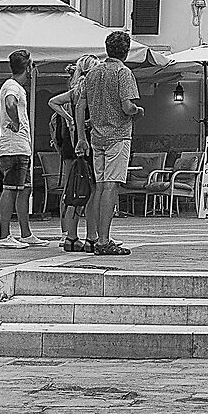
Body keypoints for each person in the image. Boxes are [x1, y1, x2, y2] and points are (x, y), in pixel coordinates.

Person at [78, 32, 141, 256]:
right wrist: (138, 110)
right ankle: (104, 241)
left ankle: (95, 237)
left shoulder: (92, 73)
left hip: (97, 137)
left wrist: (81, 137)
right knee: (111, 187)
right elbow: (127, 107)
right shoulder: (123, 73)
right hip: (118, 135)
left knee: (100, 186)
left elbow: (80, 105)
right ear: (126, 51)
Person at [50, 57, 95, 251]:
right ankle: (92, 237)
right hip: (88, 144)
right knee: (92, 191)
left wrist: (69, 119)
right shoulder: (91, 91)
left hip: (73, 144)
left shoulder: (75, 91)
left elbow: (53, 102)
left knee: (74, 190)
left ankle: (70, 235)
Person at [0, 50, 38, 247]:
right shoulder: (12, 86)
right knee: (10, 189)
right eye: (32, 65)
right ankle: (4, 236)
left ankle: (25, 233)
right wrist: (16, 121)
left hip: (20, 146)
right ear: (27, 67)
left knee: (25, 189)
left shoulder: (15, 86)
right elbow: (10, 103)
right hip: (13, 146)